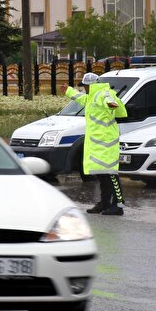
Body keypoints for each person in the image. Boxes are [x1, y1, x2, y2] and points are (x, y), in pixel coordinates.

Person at [65, 73, 128, 216]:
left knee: (110, 173)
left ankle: (118, 206)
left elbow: (111, 101)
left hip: (107, 142)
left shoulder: (103, 93)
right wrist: (68, 90)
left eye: (85, 86)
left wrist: (112, 105)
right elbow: (81, 98)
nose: (84, 89)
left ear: (90, 85)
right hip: (97, 143)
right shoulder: (92, 97)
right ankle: (105, 203)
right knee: (102, 174)